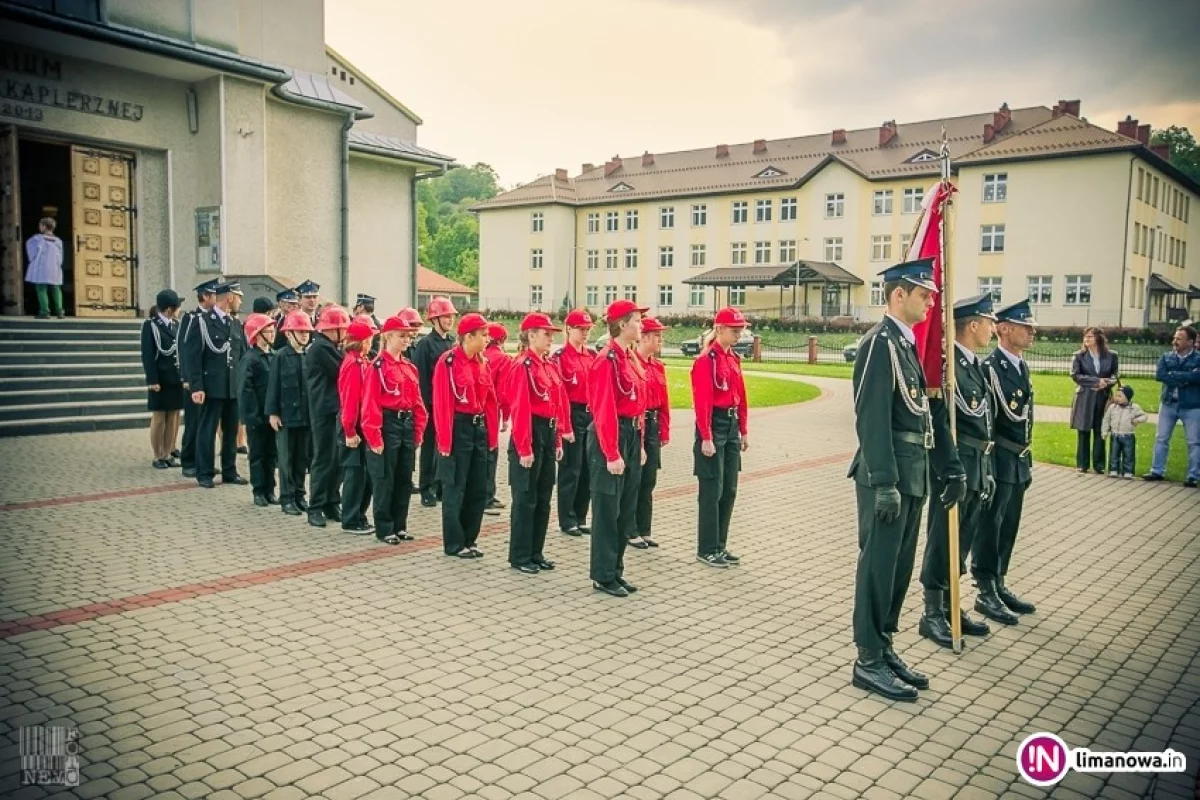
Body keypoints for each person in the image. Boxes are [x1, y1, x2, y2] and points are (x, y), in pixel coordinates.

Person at [848, 259, 964, 702]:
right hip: (889, 474)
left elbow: (923, 412)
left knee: (897, 571)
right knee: (878, 569)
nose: (931, 301)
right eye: (924, 294)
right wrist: (883, 481)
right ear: (899, 295)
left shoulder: (906, 344)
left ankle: (885, 644)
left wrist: (947, 466)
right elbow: (871, 417)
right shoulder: (879, 344)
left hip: (912, 473)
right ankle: (868, 659)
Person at [918, 294, 997, 649]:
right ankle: (932, 612)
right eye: (990, 322)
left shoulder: (975, 366)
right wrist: (949, 468)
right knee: (942, 537)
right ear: (973, 324)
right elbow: (939, 419)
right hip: (953, 463)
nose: (993, 329)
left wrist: (986, 467)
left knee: (963, 537)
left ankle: (952, 605)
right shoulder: (948, 366)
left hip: (976, 462)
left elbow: (984, 420)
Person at [973, 299, 1038, 627]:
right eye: (1025, 326)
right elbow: (989, 422)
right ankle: (984, 588)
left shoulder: (1019, 366)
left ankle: (999, 580)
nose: (1032, 332)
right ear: (1004, 329)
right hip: (998, 458)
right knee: (991, 525)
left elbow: (1025, 417)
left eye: (1031, 327)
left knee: (1009, 524)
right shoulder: (991, 369)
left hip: (1017, 459)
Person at [588, 300, 648, 598]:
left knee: (625, 509)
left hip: (630, 434)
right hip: (610, 435)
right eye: (637, 320)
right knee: (607, 509)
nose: (642, 325)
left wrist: (639, 444)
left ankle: (616, 570)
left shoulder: (630, 357)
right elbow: (603, 409)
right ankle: (603, 574)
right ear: (622, 325)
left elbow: (639, 404)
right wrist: (611, 452)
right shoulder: (607, 359)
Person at [506, 313, 571, 575]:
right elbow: (520, 408)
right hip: (530, 432)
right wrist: (524, 447)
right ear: (531, 335)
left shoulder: (548, 365)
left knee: (543, 497)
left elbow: (555, 405)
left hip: (547, 432)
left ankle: (536, 551)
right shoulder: (522, 366)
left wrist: (557, 439)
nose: (550, 338)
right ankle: (520, 554)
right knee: (525, 498)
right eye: (546, 334)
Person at [432, 313, 497, 558]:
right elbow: (442, 403)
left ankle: (470, 538)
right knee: (455, 487)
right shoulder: (448, 362)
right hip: (458, 428)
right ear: (468, 336)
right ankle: (455, 542)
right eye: (483, 335)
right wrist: (445, 441)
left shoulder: (482, 362)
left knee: (478, 487)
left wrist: (491, 435)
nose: (487, 339)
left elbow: (490, 401)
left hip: (478, 427)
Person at [691, 307, 751, 568]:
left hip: (731, 425)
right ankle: (707, 548)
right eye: (734, 330)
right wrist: (705, 436)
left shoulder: (732, 358)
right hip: (713, 426)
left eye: (740, 329)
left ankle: (720, 544)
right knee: (711, 490)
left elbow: (742, 396)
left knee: (729, 489)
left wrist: (744, 430)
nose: (739, 334)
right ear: (719, 330)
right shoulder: (707, 360)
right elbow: (701, 401)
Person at [362, 314, 427, 545]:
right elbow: (370, 403)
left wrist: (419, 429)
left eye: (408, 337)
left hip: (406, 424)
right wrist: (374, 436)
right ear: (388, 337)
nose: (406, 340)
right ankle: (384, 527)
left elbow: (418, 402)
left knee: (404, 477)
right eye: (402, 336)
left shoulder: (409, 367)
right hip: (388, 424)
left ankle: (400, 525)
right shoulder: (377, 367)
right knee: (385, 478)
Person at [181, 281, 248, 489]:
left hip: (232, 387)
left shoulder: (236, 324)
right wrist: (196, 386)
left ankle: (229, 470)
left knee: (230, 432)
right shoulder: (201, 322)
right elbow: (193, 357)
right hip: (211, 387)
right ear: (229, 297)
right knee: (207, 430)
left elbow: (242, 357)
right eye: (239, 297)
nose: (240, 302)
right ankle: (205, 472)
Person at [552, 309, 597, 536]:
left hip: (591, 415)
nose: (585, 332)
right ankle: (567, 518)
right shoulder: (560, 358)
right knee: (571, 468)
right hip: (572, 413)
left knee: (588, 469)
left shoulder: (591, 356)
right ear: (569, 329)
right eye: (581, 329)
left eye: (588, 329)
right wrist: (564, 425)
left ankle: (580, 515)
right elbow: (559, 394)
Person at [306, 304, 350, 528]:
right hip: (324, 410)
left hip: (333, 409)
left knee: (336, 460)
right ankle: (316, 506)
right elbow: (343, 371)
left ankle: (332, 501)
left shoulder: (328, 347)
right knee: (324, 459)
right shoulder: (321, 348)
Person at [413, 296, 458, 507]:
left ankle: (440, 484)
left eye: (450, 316)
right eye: (445, 316)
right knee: (429, 447)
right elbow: (420, 377)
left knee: (444, 446)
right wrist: (423, 406)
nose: (449, 320)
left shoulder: (453, 342)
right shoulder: (426, 344)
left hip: (448, 405)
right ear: (435, 319)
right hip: (431, 403)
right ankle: (426, 487)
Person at [268, 311, 313, 516]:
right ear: (288, 334)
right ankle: (287, 497)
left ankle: (299, 495)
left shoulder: (308, 356)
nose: (305, 335)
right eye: (300, 331)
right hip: (286, 415)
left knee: (301, 459)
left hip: (305, 416)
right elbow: (273, 387)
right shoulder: (280, 356)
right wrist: (273, 413)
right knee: (286, 459)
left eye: (306, 332)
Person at [1144, 325, 1200, 486]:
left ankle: (1193, 476)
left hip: (1192, 406)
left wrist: (1175, 375)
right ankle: (1157, 471)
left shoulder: (1198, 359)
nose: (1174, 341)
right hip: (1169, 403)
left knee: (1194, 442)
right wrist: (1186, 378)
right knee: (1161, 438)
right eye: (1174, 338)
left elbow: (1198, 377)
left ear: (1190, 341)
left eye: (1179, 338)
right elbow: (1160, 375)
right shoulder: (1166, 357)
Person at [632, 316, 671, 549]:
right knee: (634, 479)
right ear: (644, 337)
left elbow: (664, 401)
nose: (660, 340)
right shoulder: (633, 363)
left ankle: (644, 528)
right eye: (657, 335)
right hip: (639, 424)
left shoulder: (657, 366)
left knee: (649, 480)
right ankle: (630, 529)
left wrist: (664, 429)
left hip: (653, 424)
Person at [336, 319, 377, 535]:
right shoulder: (353, 364)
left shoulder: (361, 361)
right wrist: (350, 431)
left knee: (363, 473)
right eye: (369, 340)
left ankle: (359, 515)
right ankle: (351, 519)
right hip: (352, 424)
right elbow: (350, 400)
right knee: (355, 473)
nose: (371, 344)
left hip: (360, 423)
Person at [140, 289, 186, 469]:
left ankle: (168, 453)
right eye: (177, 307)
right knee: (159, 417)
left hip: (175, 378)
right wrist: (152, 380)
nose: (179, 310)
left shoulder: (175, 325)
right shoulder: (150, 326)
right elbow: (148, 355)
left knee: (174, 416)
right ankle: (157, 455)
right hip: (160, 379)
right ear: (169, 309)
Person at [178, 280, 219, 477]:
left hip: (210, 381)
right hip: (194, 381)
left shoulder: (215, 318)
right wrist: (187, 377)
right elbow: (184, 349)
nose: (217, 298)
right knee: (193, 422)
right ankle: (188, 460)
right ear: (205, 296)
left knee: (207, 424)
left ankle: (204, 462)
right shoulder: (190, 318)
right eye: (214, 294)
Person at [238, 313, 278, 506]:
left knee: (271, 454)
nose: (272, 334)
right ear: (257, 335)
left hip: (270, 415)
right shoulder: (250, 358)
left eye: (272, 331)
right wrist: (251, 416)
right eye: (267, 332)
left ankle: (270, 489)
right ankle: (259, 490)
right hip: (256, 415)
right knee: (257, 454)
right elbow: (245, 390)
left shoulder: (273, 355)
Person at [1069, 327, 1119, 474]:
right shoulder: (1079, 356)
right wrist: (1096, 381)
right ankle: (1082, 464)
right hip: (1085, 396)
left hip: (1102, 397)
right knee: (1083, 431)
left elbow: (1115, 376)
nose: (1086, 339)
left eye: (1090, 337)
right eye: (1085, 337)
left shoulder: (1112, 356)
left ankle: (1099, 465)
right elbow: (1075, 375)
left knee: (1100, 430)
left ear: (1098, 338)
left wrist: (1107, 383)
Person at [483, 322, 514, 516]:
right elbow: (504, 391)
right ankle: (487, 496)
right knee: (490, 453)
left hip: (475, 411)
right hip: (492, 411)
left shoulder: (480, 356)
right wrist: (505, 416)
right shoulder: (503, 359)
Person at [1102, 385, 1147, 479]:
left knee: (1128, 454)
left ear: (1128, 397)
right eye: (1116, 395)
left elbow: (1144, 416)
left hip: (1128, 435)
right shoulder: (1112, 407)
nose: (1116, 398)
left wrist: (1137, 420)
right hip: (1115, 434)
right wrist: (1104, 431)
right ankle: (1113, 470)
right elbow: (1106, 419)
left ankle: (1128, 471)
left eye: (1120, 396)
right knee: (1114, 453)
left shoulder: (1134, 408)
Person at [25, 217, 64, 319]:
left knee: (41, 288)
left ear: (43, 226)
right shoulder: (58, 241)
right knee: (56, 288)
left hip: (42, 267)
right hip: (55, 267)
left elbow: (32, 252)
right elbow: (61, 256)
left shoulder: (37, 239)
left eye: (40, 225)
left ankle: (44, 311)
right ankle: (60, 311)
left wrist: (33, 260)